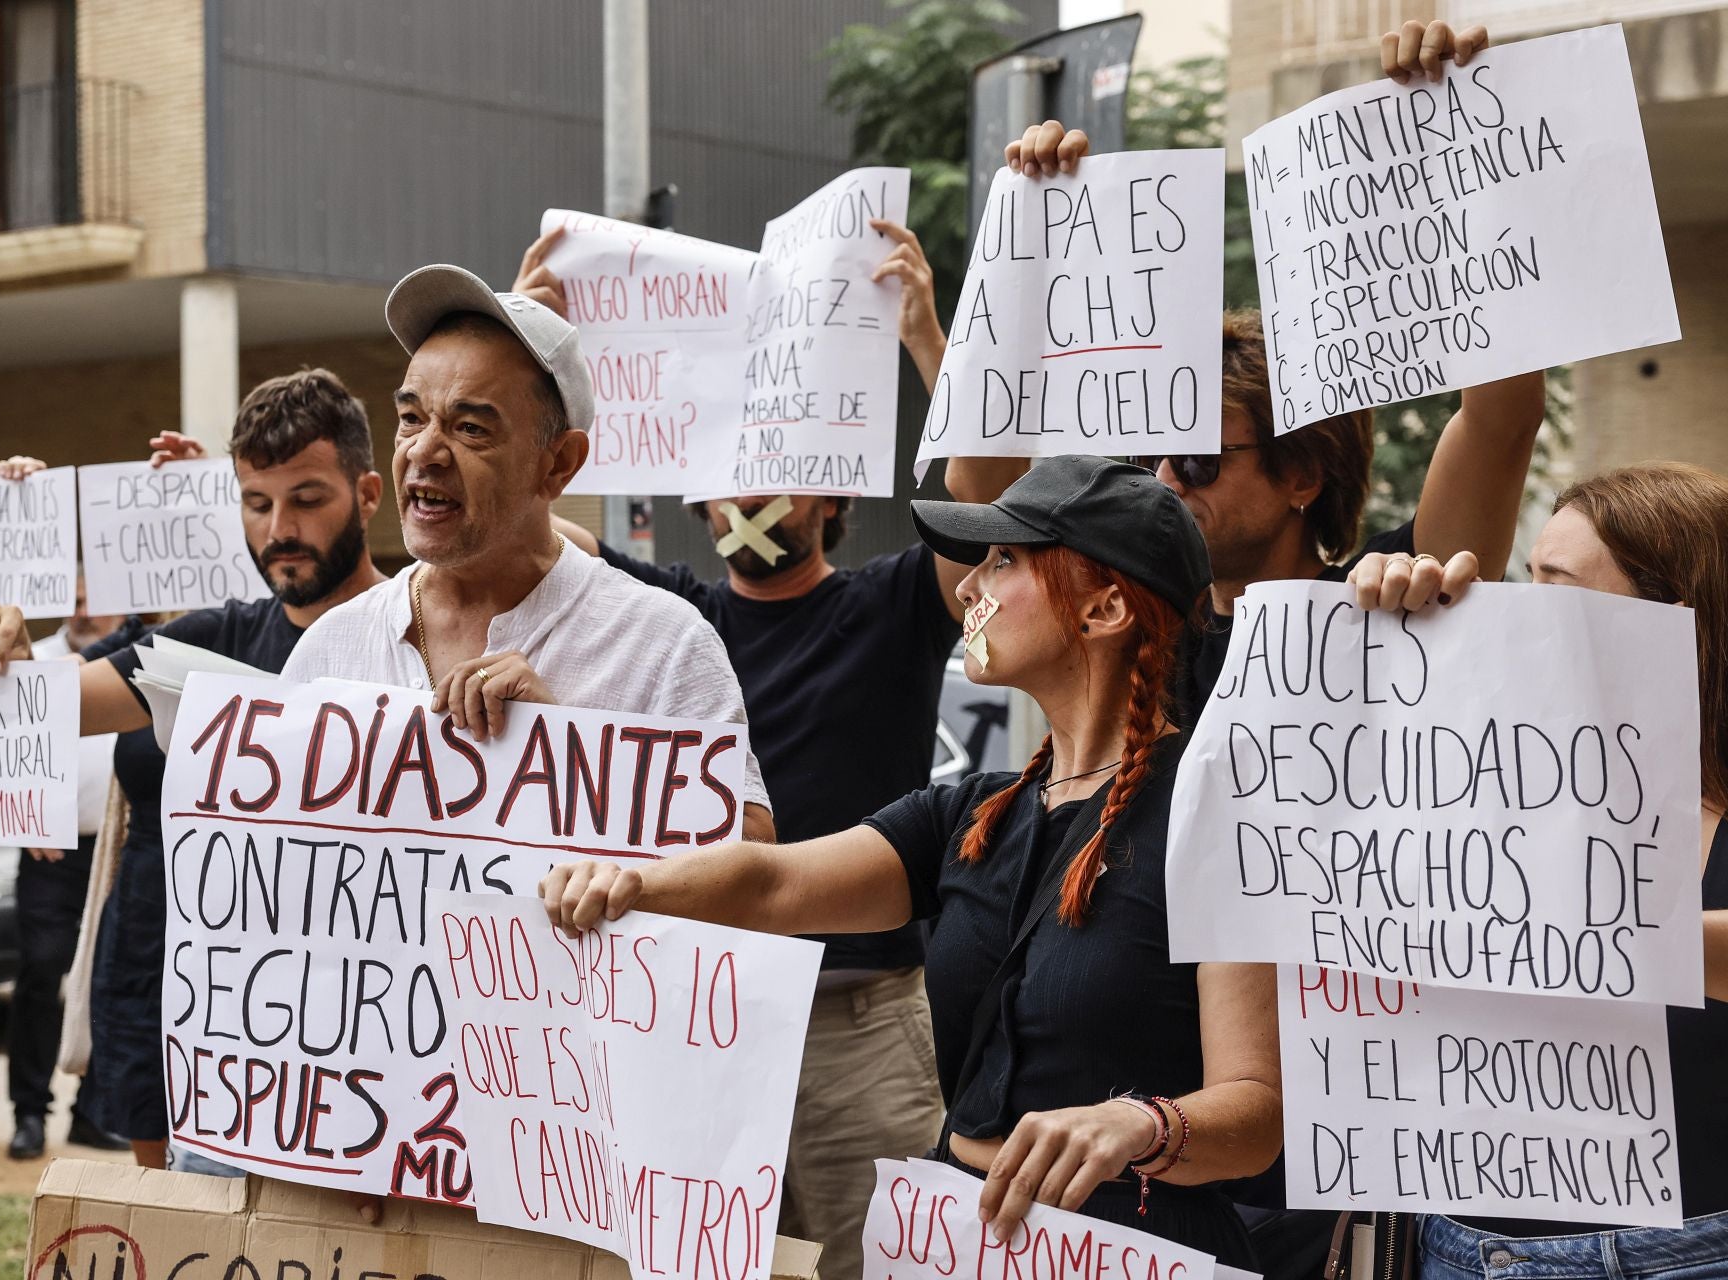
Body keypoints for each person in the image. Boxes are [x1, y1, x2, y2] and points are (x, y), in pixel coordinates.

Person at [542, 457, 1281, 1269]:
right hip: (957, 1241)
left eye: (1006, 560)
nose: (970, 588)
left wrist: (1141, 1125)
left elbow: (1257, 1115)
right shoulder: (968, 814)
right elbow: (772, 880)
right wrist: (631, 882)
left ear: (1104, 606)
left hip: (1139, 1248)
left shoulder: (1215, 817)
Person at [515, 220, 1026, 1280]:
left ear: (835, 492)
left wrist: (931, 343)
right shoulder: (669, 613)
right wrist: (538, 359)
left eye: (783, 469)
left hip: (860, 1022)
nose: (753, 494)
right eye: (732, 472)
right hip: (696, 1013)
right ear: (700, 499)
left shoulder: (891, 606)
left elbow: (993, 515)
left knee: (874, 1265)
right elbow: (528, 526)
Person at [1001, 18, 1545, 731]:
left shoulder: (1396, 593)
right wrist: (1043, 224)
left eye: (1199, 459)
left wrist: (1455, 141)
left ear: (1301, 477)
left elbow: (1502, 425)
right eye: (1150, 457)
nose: (1164, 479)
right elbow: (985, 500)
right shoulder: (1144, 628)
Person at [0, 368, 387, 1169]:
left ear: (367, 495)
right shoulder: (212, 640)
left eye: (308, 498)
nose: (280, 528)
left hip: (357, 1028)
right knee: (176, 1220)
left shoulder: (426, 636)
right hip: (186, 993)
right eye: (257, 504)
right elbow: (39, 704)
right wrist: (1, 629)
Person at [1349, 464, 1728, 1277]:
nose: (1519, 614)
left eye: (1553, 588)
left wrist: (1566, 940)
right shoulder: (1484, 773)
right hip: (1460, 1248)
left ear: (1677, 617)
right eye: (1524, 580)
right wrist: (1385, 625)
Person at [277, 265, 774, 835]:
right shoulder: (329, 650)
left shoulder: (662, 642)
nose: (424, 452)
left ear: (559, 463)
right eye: (411, 419)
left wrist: (563, 754)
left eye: (469, 428)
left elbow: (749, 856)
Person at [5, 573, 131, 1159]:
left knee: (109, 983)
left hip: (120, 852)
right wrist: (23, 814)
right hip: (49, 852)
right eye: (75, 599)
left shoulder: (136, 659)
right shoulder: (37, 662)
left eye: (95, 599)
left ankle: (89, 1111)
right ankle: (29, 1112)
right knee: (39, 973)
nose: (84, 609)